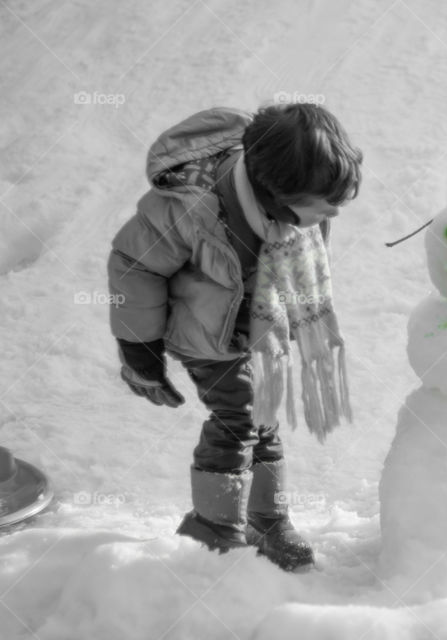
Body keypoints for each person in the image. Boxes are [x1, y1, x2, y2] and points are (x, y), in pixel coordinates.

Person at [106, 103, 361, 571]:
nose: (335, 215)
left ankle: (266, 518)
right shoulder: (189, 208)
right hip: (203, 332)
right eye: (326, 205)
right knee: (239, 414)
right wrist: (139, 350)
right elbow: (134, 266)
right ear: (278, 194)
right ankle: (212, 528)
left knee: (263, 417)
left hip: (261, 333)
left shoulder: (298, 215)